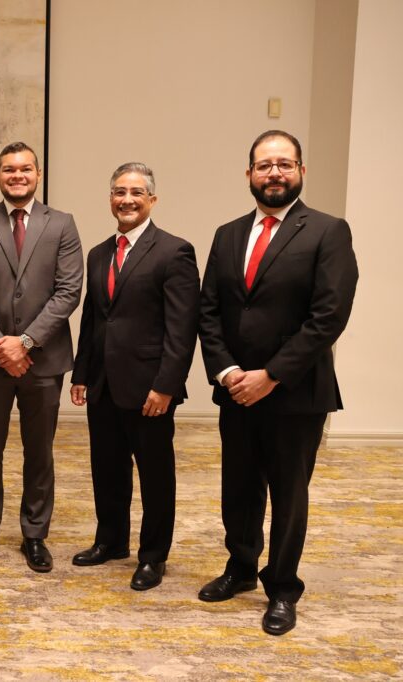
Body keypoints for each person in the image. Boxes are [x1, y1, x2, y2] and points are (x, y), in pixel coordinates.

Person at [197, 130, 358, 635]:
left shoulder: (328, 231)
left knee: (289, 496)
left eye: (284, 164)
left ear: (301, 171)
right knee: (238, 488)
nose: (274, 173)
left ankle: (283, 588)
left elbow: (328, 316)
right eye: (264, 165)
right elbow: (208, 311)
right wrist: (228, 372)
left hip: (295, 393)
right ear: (249, 174)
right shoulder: (227, 234)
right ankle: (241, 567)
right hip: (236, 390)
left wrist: (271, 375)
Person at [69, 163, 199, 590]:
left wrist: (165, 386)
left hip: (149, 388)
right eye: (119, 192)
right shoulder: (98, 253)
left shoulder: (174, 252)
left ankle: (153, 556)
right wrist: (82, 373)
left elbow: (182, 329)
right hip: (103, 383)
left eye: (136, 193)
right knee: (107, 468)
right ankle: (111, 541)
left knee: (155, 476)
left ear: (152, 200)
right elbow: (93, 318)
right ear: (111, 199)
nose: (126, 200)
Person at [0, 142, 83, 573]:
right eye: (9, 169)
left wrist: (25, 343)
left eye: (25, 169)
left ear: (38, 174)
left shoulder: (62, 224)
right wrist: (1, 345)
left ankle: (34, 534)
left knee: (40, 451)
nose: (17, 176)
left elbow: (69, 291)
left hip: (43, 362)